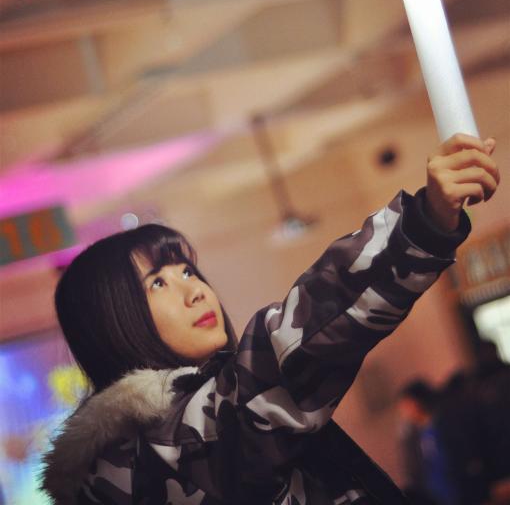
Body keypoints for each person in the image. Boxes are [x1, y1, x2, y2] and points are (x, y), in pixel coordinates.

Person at [40, 134, 500, 504]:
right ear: (113, 324)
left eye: (187, 271)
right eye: (157, 283)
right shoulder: (162, 448)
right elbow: (292, 347)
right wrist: (423, 222)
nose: (195, 290)